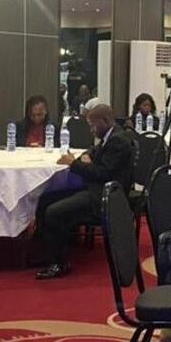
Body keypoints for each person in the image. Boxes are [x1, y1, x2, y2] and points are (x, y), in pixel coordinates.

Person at [34, 104, 132, 279]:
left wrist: (73, 164)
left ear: (105, 121)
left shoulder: (119, 141)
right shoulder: (111, 135)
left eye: (93, 125)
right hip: (94, 188)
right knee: (45, 199)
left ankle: (59, 263)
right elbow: (94, 151)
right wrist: (87, 155)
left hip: (104, 195)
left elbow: (102, 173)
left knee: (54, 212)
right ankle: (47, 251)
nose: (91, 130)